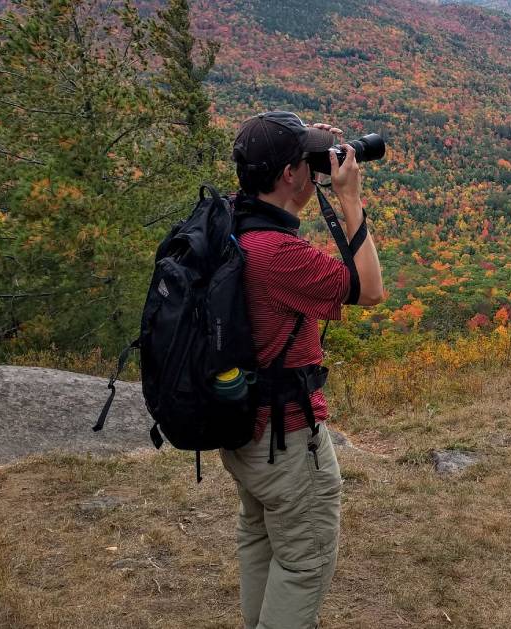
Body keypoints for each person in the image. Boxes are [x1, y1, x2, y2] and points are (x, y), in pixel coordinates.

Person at [222, 110, 384, 628]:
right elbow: (370, 289)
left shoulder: (229, 223)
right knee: (305, 562)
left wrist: (305, 145)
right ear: (290, 175)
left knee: (262, 542)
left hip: (243, 432)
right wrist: (350, 199)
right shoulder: (278, 255)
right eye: (305, 161)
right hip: (287, 440)